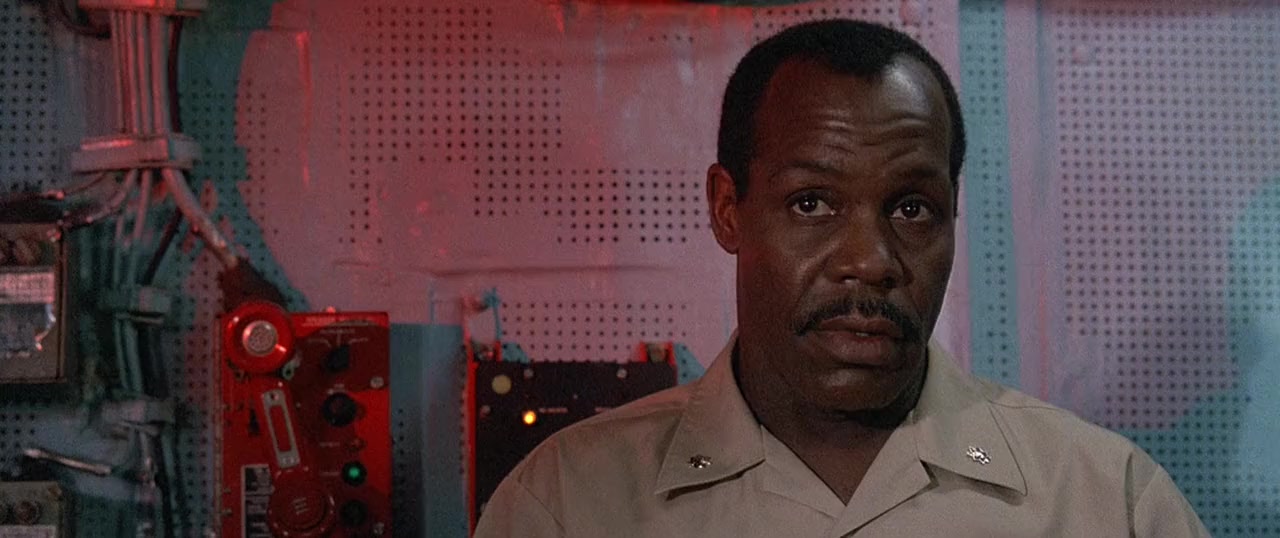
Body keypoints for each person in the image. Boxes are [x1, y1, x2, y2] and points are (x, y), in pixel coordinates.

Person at [474, 19, 1210, 537]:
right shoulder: (567, 506)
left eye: (912, 208)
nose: (872, 260)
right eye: (812, 203)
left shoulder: (1107, 505)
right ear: (728, 210)